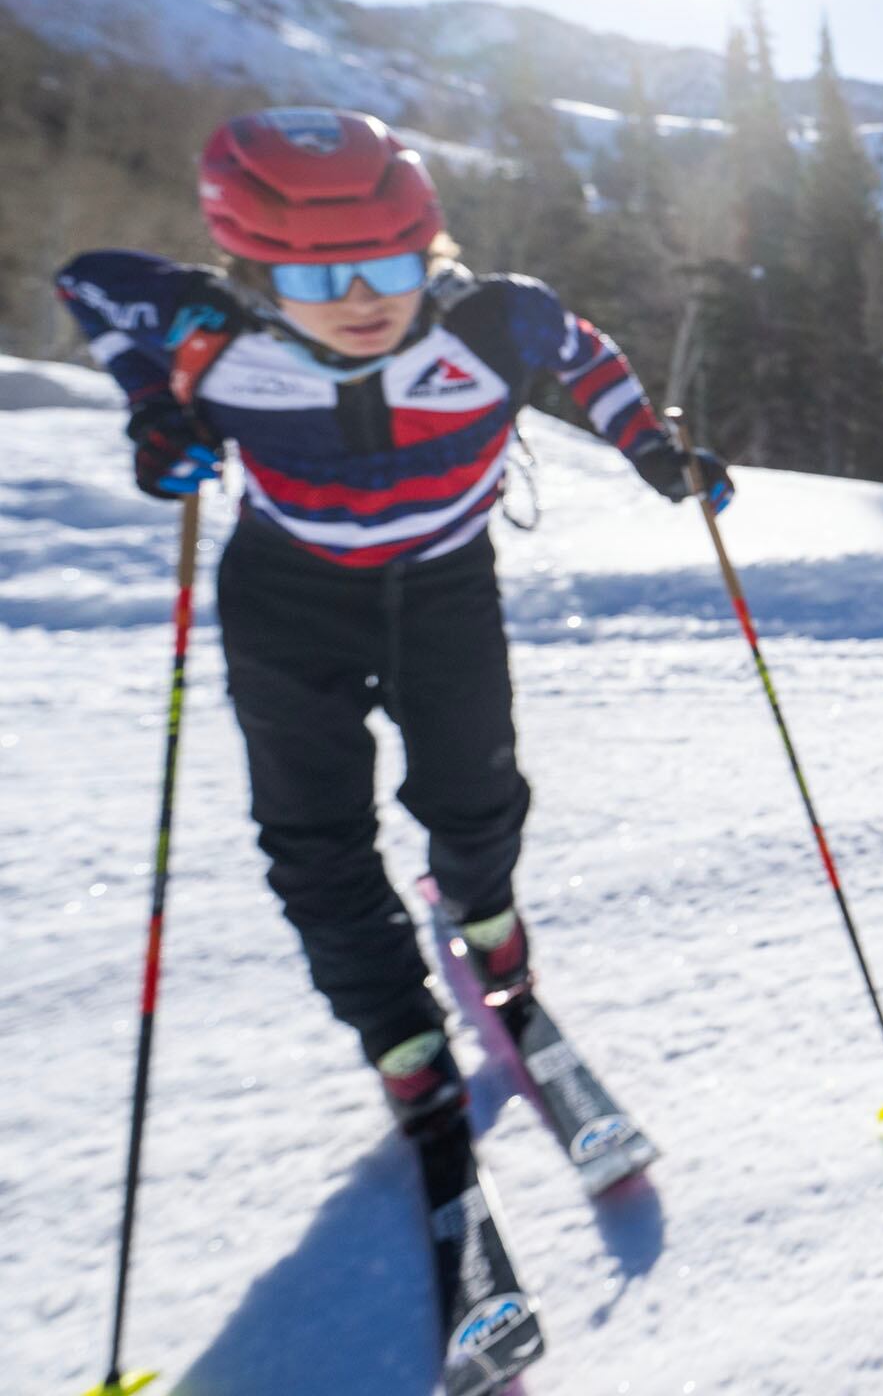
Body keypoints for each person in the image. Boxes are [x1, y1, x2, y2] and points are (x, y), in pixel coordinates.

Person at [55, 106, 731, 1140]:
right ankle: (396, 1027)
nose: (362, 300)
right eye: (320, 279)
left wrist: (647, 443)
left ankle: (483, 915)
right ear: (252, 270)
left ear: (430, 247)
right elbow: (87, 280)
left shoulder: (494, 321)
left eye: (388, 264)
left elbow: (582, 349)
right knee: (314, 832)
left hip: (444, 589)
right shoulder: (213, 333)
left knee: (477, 791)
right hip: (287, 598)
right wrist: (155, 402)